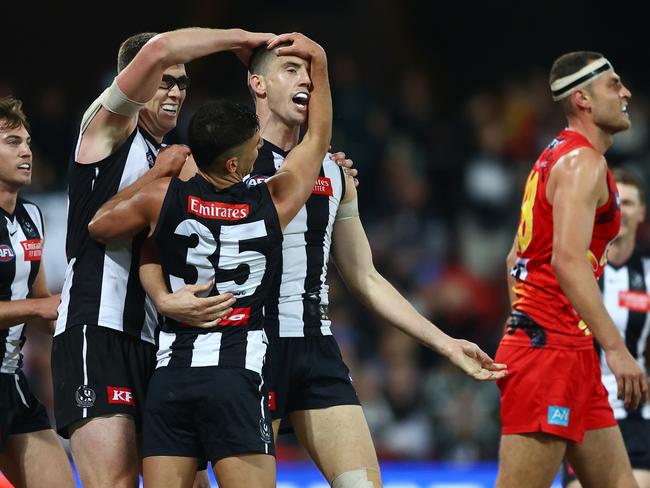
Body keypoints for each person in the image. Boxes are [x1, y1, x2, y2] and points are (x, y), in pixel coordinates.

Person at [188, 35, 504, 488]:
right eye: (291, 70)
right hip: (246, 350)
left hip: (315, 350)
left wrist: (446, 343)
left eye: (310, 72)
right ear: (257, 84)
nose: (306, 81)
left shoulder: (334, 172)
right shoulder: (223, 164)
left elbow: (365, 277)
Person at [87, 32, 332, 488]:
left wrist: (157, 175)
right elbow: (318, 138)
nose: (263, 152)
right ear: (237, 166)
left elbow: (98, 224)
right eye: (256, 148)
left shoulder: (166, 199)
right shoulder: (272, 203)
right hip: (236, 376)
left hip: (171, 377)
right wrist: (317, 60)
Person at [51, 27, 274, 488]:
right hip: (100, 324)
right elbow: (158, 49)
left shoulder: (178, 156)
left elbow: (245, 172)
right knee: (114, 483)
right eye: (165, 81)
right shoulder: (107, 129)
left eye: (183, 83)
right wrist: (237, 39)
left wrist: (328, 169)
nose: (175, 91)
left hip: (162, 338)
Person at [498, 51, 648, 488]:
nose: (626, 93)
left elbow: (514, 260)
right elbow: (567, 261)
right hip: (550, 355)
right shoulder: (585, 163)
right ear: (582, 99)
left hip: (568, 350)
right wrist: (617, 350)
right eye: (614, 85)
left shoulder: (553, 156)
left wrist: (527, 323)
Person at [0, 96, 75, 487]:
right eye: (12, 141)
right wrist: (40, 306)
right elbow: (39, 304)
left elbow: (43, 304)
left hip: (11, 380)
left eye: (27, 141)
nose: (26, 150)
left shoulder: (31, 216)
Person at [563, 168, 650, 487]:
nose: (622, 209)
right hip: (584, 410)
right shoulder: (574, 267)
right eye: (617, 200)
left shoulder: (648, 274)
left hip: (637, 417)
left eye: (629, 203)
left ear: (641, 213)